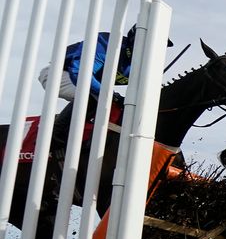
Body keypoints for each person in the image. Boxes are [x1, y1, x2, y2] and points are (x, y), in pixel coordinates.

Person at [38, 24, 173, 152]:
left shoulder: (140, 66)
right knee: (96, 96)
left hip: (87, 82)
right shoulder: (106, 44)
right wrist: (108, 93)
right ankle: (54, 135)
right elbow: (78, 72)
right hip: (59, 74)